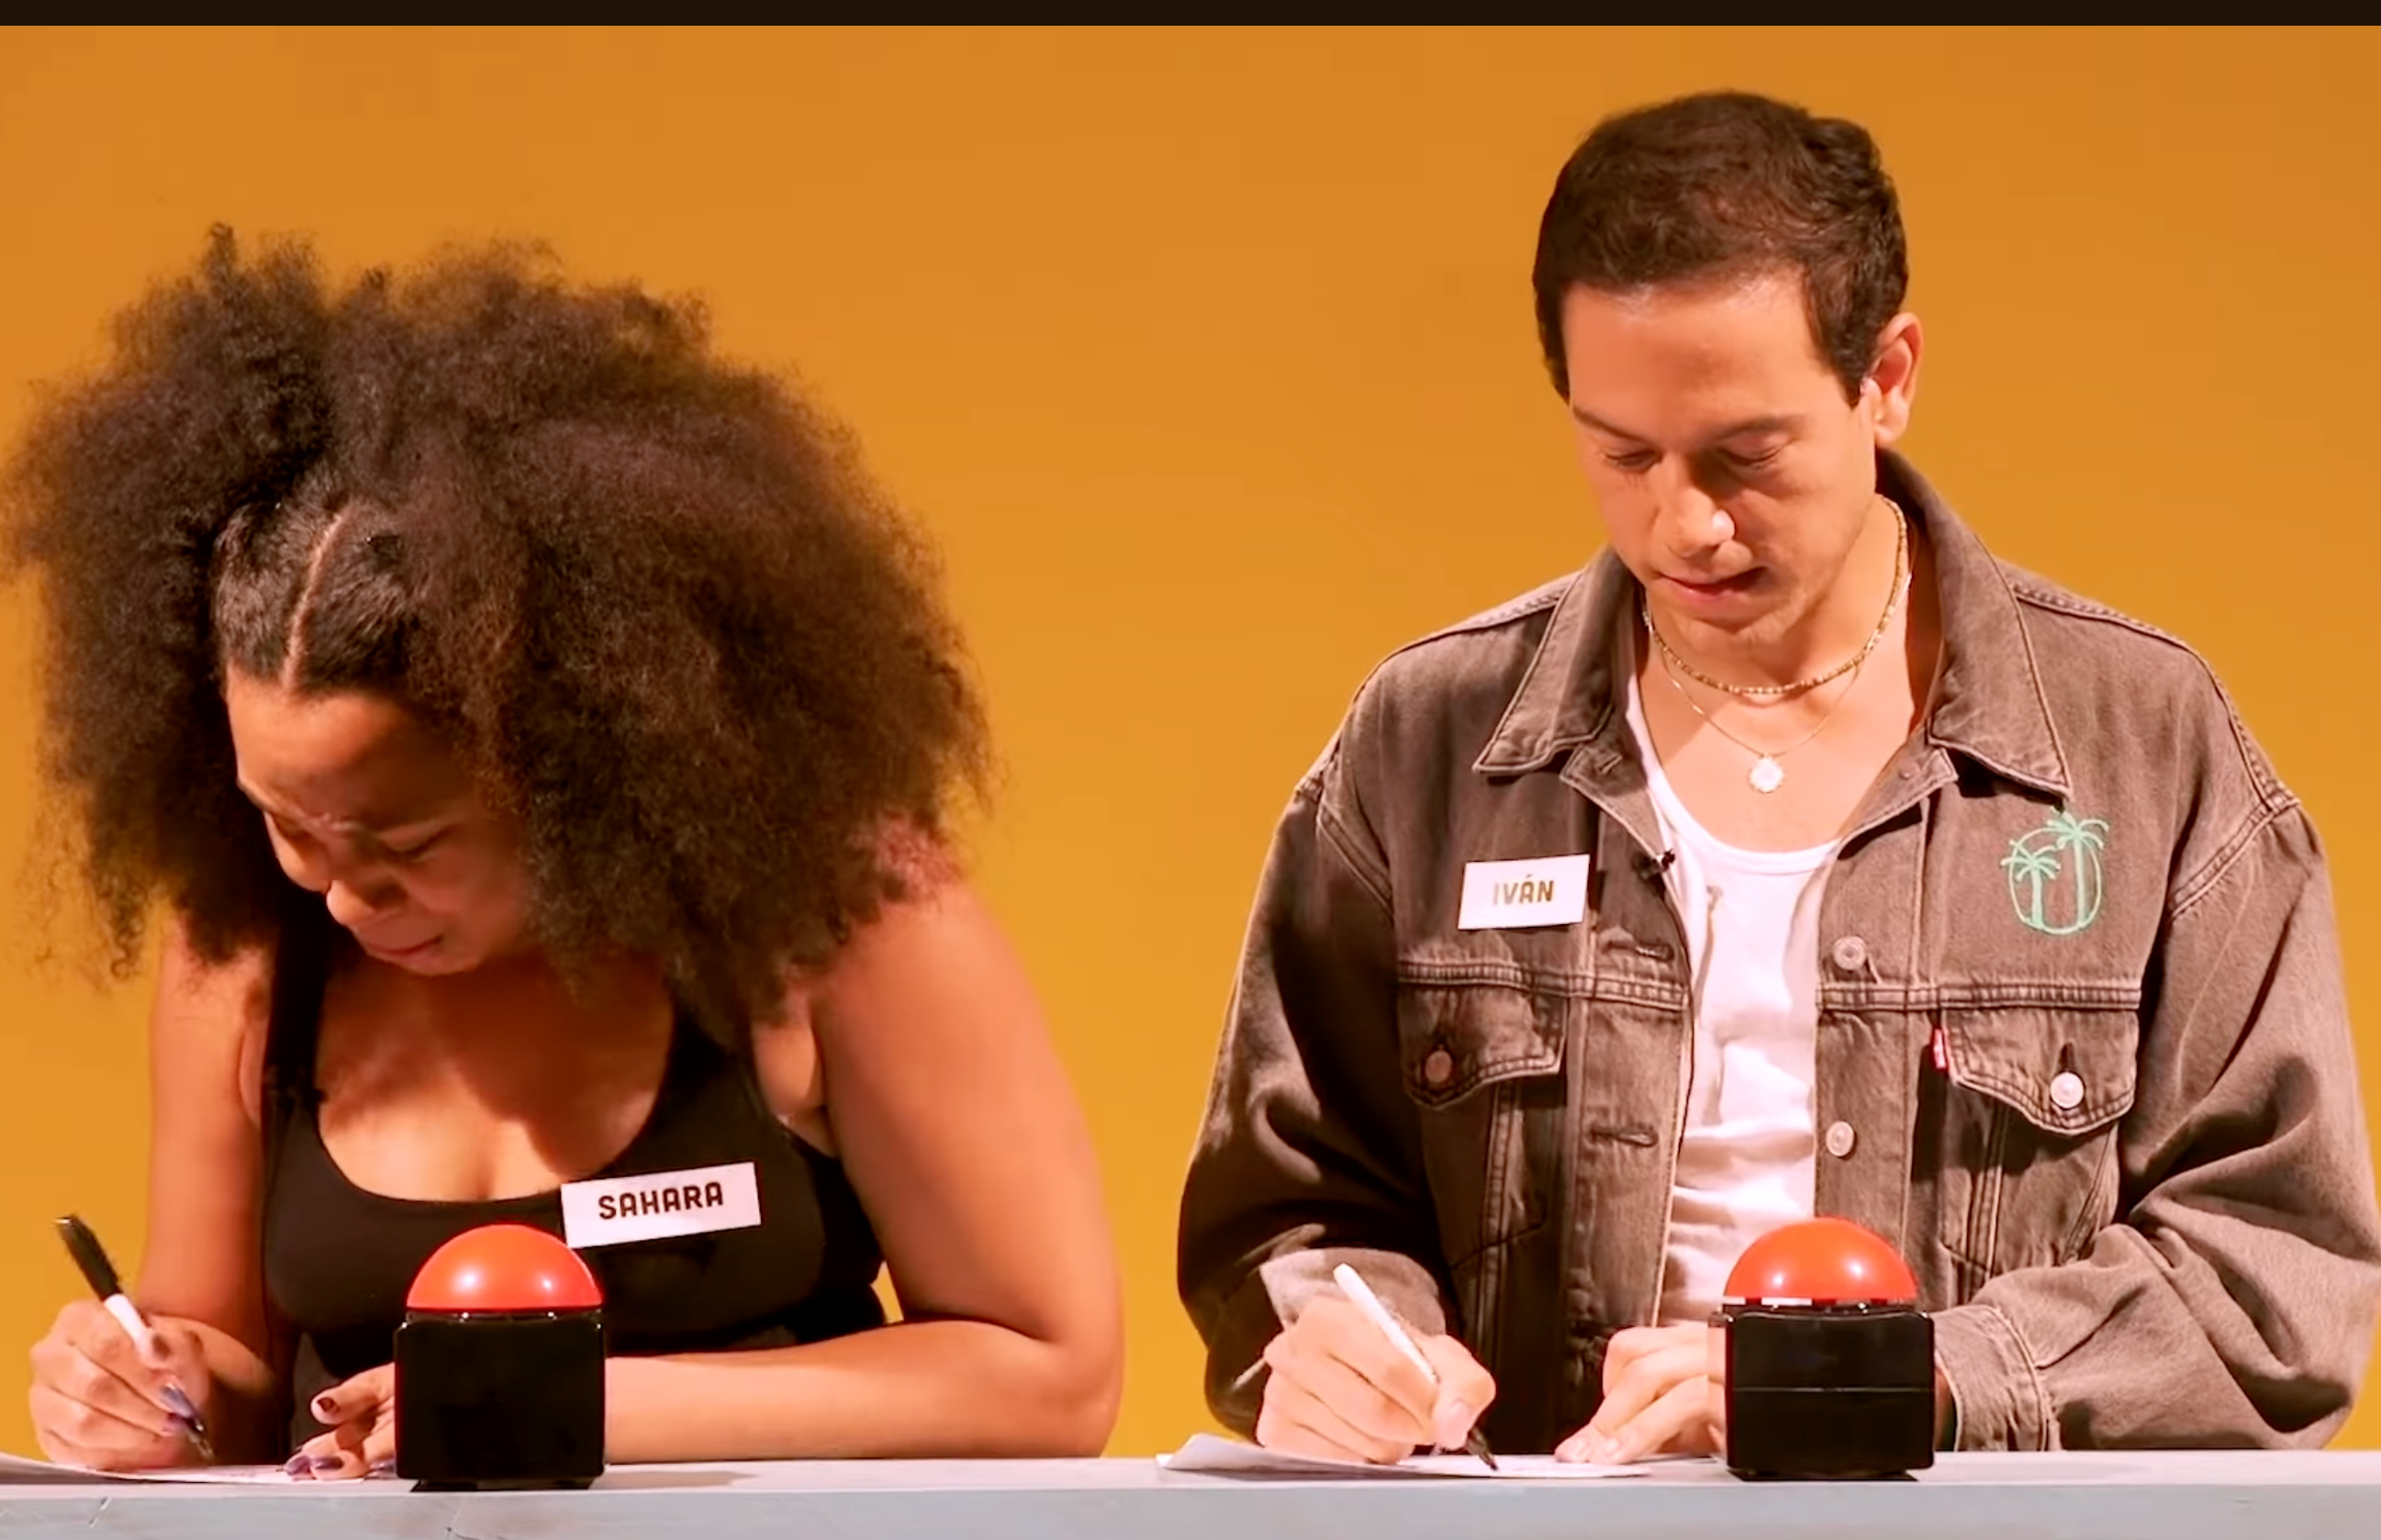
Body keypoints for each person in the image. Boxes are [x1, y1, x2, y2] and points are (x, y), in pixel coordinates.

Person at [1176, 90, 2381, 1463]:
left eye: (1747, 456)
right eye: (1620, 452)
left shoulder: (2142, 742)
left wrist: (1868, 1385)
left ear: (1889, 376)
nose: (1681, 522)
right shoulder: (1427, 742)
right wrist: (1341, 1343)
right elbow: (1290, 1214)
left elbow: (2269, 1278)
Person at [8, 230, 1123, 1475]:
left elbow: (1048, 1371)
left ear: (579, 753)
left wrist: (568, 1406)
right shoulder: (249, 955)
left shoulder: (830, 909)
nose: (342, 888)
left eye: (409, 840)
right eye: (285, 821)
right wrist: (154, 1391)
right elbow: (229, 1378)